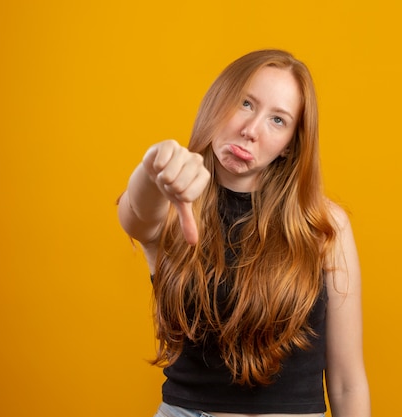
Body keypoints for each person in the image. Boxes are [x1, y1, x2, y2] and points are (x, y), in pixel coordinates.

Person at [117, 49, 370, 417]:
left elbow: (348, 382)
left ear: (290, 146)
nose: (250, 131)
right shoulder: (172, 204)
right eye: (245, 103)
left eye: (278, 120)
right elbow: (136, 214)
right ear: (218, 101)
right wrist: (154, 167)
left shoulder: (325, 226)